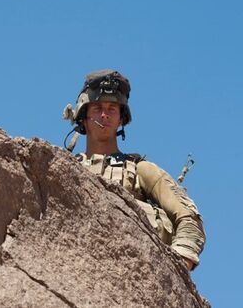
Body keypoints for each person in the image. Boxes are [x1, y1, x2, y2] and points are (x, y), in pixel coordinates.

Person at [63, 69, 205, 270]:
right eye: (97, 108)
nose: (104, 115)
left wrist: (178, 264)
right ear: (83, 116)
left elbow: (189, 218)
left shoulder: (141, 170)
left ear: (121, 118)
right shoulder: (64, 169)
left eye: (112, 109)